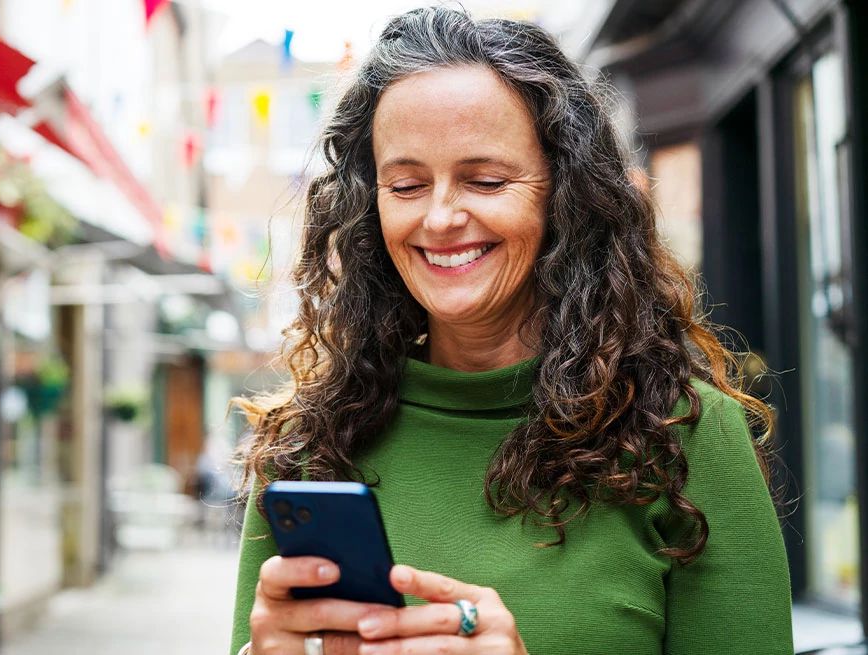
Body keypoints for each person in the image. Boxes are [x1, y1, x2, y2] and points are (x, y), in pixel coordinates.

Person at [229, 7, 791, 655]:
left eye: (486, 180)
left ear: (566, 194)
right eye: (406, 184)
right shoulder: (307, 447)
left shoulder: (686, 436)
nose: (440, 217)